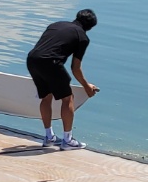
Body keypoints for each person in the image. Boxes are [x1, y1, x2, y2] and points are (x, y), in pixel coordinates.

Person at [27, 9, 100, 150]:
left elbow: (46, 47)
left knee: (46, 97)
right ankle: (67, 140)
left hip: (32, 59)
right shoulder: (82, 37)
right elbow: (75, 67)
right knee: (68, 98)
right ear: (90, 27)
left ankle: (49, 137)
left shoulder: (56, 24)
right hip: (51, 63)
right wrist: (86, 86)